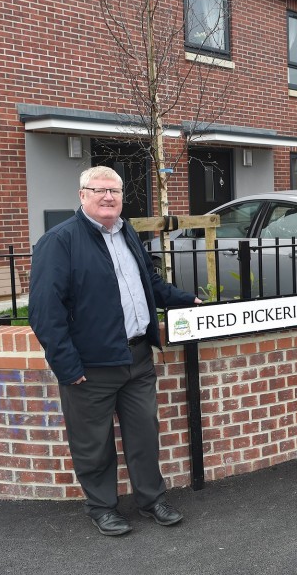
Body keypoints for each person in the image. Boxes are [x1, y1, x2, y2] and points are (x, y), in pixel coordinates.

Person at [29, 166, 201, 537]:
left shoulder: (127, 233)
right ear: (82, 195)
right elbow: (45, 312)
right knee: (93, 445)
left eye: (116, 191)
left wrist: (185, 300)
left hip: (137, 359)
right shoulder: (59, 242)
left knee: (143, 436)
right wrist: (67, 367)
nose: (109, 197)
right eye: (100, 190)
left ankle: (152, 501)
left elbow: (149, 283)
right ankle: (103, 508)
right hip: (89, 368)